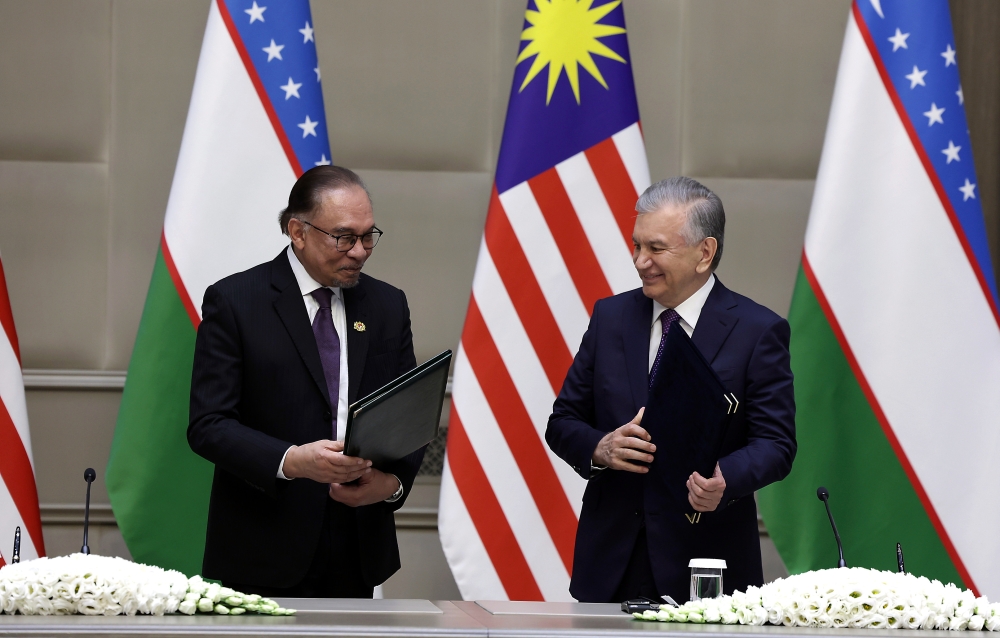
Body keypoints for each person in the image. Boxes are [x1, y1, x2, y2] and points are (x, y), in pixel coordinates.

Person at [546, 176, 796, 604]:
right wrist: (601, 448)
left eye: (656, 248)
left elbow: (776, 444)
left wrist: (725, 479)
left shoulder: (758, 331)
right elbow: (563, 422)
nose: (640, 261)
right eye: (637, 245)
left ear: (705, 253)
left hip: (707, 566)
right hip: (611, 565)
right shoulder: (611, 317)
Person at [188, 165, 423, 597]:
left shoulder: (387, 305)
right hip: (263, 548)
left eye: (369, 236)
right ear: (298, 231)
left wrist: (391, 486)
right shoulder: (236, 302)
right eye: (344, 237)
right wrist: (292, 460)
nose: (360, 252)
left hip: (357, 548)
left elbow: (406, 412)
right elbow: (209, 426)